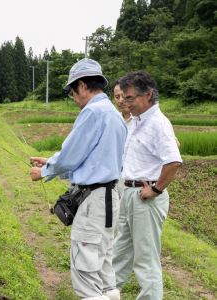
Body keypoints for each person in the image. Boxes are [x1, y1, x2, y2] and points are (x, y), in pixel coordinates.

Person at [30, 58, 127, 300]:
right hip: (110, 198)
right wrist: (50, 161)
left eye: (73, 91)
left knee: (85, 274)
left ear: (82, 86)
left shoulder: (92, 112)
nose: (73, 98)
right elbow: (91, 159)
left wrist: (43, 171)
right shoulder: (114, 115)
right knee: (104, 264)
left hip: (93, 202)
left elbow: (71, 155)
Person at [112, 71, 182, 300]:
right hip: (129, 192)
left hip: (146, 197)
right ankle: (108, 292)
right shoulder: (138, 121)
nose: (125, 103)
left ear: (148, 95)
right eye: (123, 98)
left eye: (130, 98)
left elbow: (173, 161)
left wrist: (155, 189)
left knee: (145, 259)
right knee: (120, 250)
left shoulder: (158, 124)